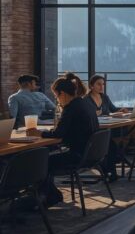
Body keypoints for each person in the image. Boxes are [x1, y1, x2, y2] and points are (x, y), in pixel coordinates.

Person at [28, 74, 99, 206]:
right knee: (46, 159)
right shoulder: (85, 103)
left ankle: (49, 196)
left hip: (77, 156)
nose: (57, 100)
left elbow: (59, 133)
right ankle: (50, 195)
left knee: (41, 162)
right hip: (88, 154)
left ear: (63, 93)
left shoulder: (71, 108)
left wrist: (39, 133)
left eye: (56, 96)